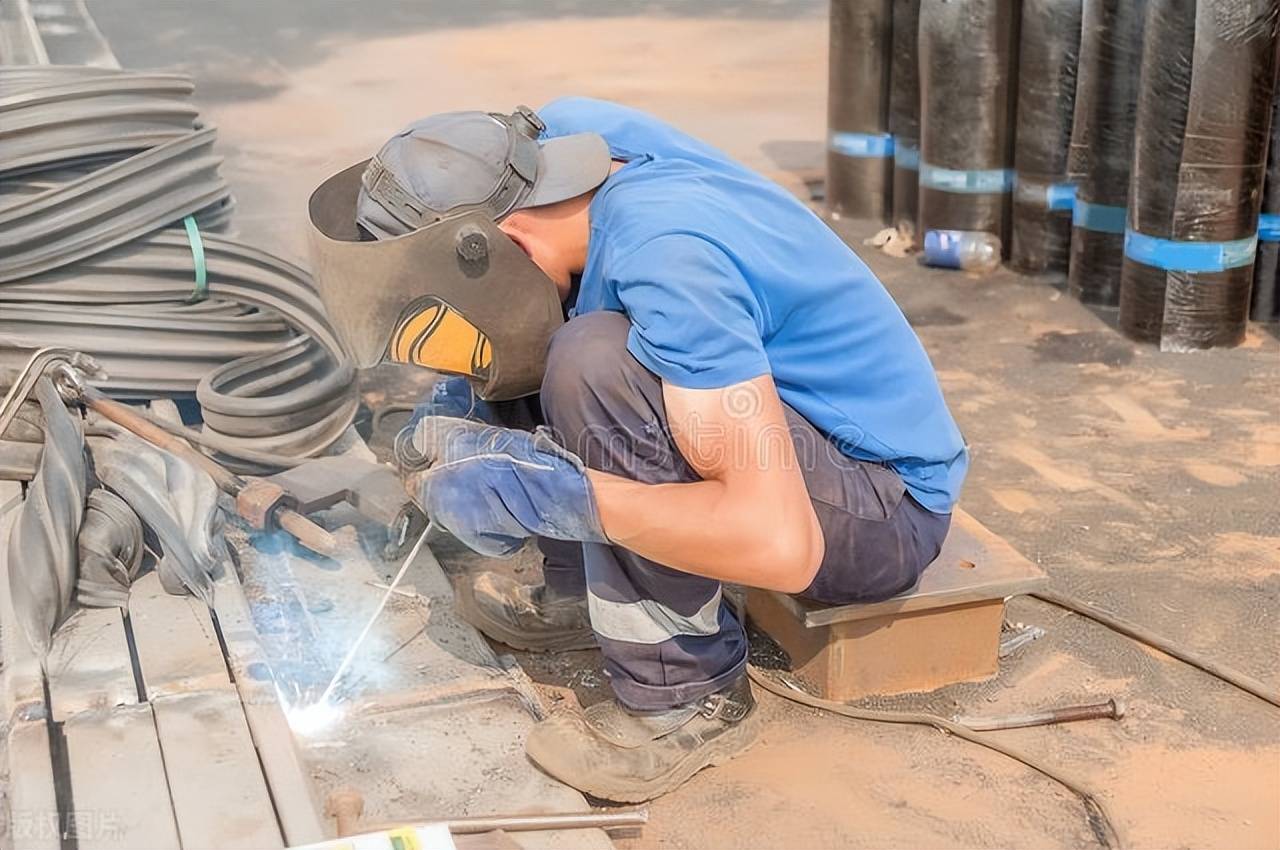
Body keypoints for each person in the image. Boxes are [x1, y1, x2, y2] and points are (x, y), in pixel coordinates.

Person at [306, 98, 968, 803]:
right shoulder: (563, 141)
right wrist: (463, 395)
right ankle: (581, 591)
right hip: (779, 424)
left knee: (592, 359)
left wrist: (563, 498)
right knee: (540, 330)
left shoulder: (670, 265)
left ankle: (687, 694)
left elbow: (781, 545)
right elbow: (510, 311)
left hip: (879, 506)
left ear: (516, 242)